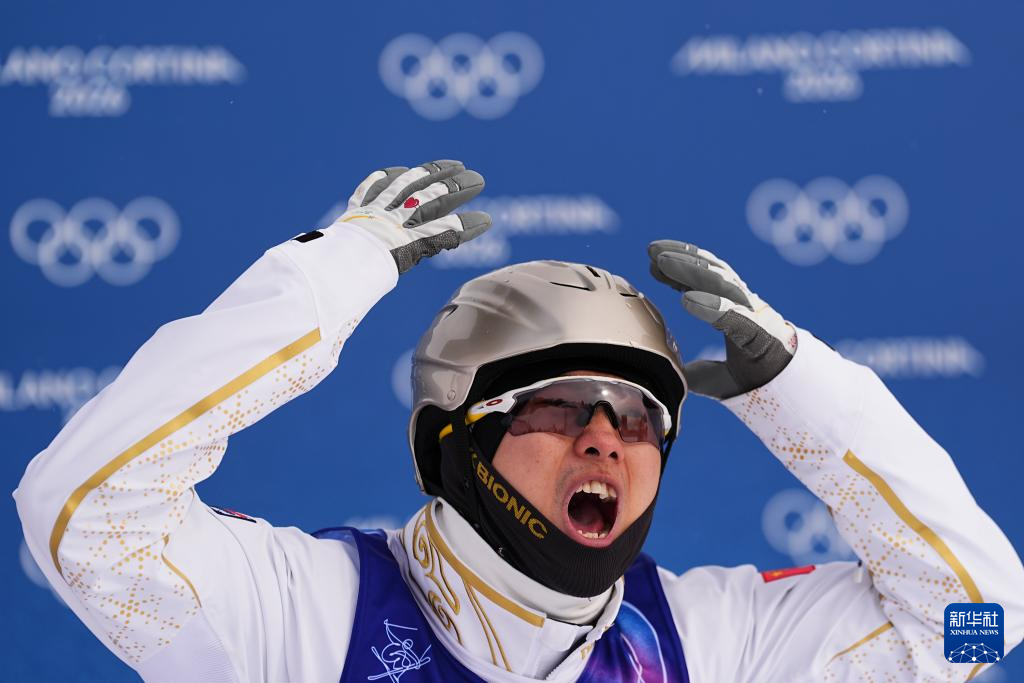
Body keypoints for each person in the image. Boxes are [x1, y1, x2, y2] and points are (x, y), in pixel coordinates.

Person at [14, 160, 1024, 683]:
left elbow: (974, 615)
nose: (604, 436)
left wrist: (802, 392)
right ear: (448, 441)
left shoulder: (710, 644)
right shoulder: (303, 615)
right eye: (555, 403)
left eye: (639, 415)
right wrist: (327, 279)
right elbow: (84, 513)